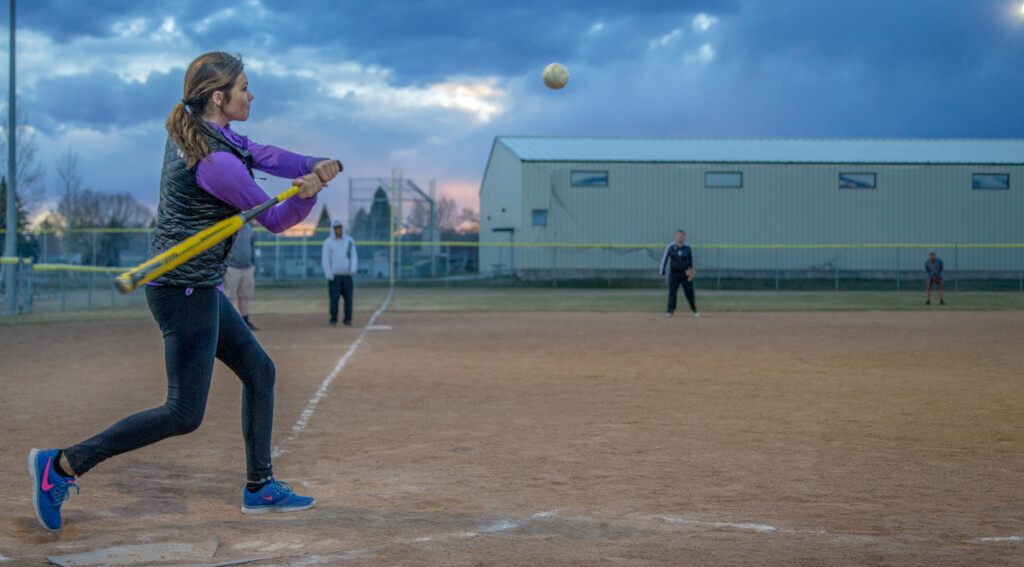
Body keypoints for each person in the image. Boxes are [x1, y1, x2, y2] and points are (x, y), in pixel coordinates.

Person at [28, 52, 342, 531]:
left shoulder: (212, 135)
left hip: (198, 286)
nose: (251, 94)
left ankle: (260, 487)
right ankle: (62, 465)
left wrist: (314, 164)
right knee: (183, 413)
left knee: (260, 371)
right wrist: (309, 193)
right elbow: (275, 219)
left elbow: (267, 155)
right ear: (219, 97)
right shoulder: (215, 163)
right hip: (183, 291)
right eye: (244, 88)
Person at [322, 220, 357, 326]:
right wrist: (329, 274)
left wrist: (352, 269)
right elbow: (325, 259)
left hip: (346, 276)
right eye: (336, 228)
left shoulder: (349, 241)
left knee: (348, 299)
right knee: (334, 299)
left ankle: (348, 319)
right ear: (333, 230)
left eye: (340, 228)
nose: (338, 230)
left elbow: (353, 256)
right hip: (334, 277)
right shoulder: (328, 243)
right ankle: (333, 319)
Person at [224, 220, 259, 330]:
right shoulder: (231, 226)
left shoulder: (249, 227)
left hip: (247, 267)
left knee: (244, 295)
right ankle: (229, 323)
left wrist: (253, 262)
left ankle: (245, 322)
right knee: (229, 296)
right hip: (232, 267)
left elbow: (252, 246)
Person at [659, 229, 698, 317]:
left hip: (685, 273)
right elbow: (664, 259)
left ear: (684, 237)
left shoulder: (687, 247)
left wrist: (691, 269)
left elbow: (691, 260)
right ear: (676, 237)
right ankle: (670, 310)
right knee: (672, 291)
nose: (680, 237)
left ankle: (694, 308)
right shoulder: (671, 247)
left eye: (682, 236)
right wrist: (662, 270)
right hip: (674, 273)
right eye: (678, 236)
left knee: (689, 291)